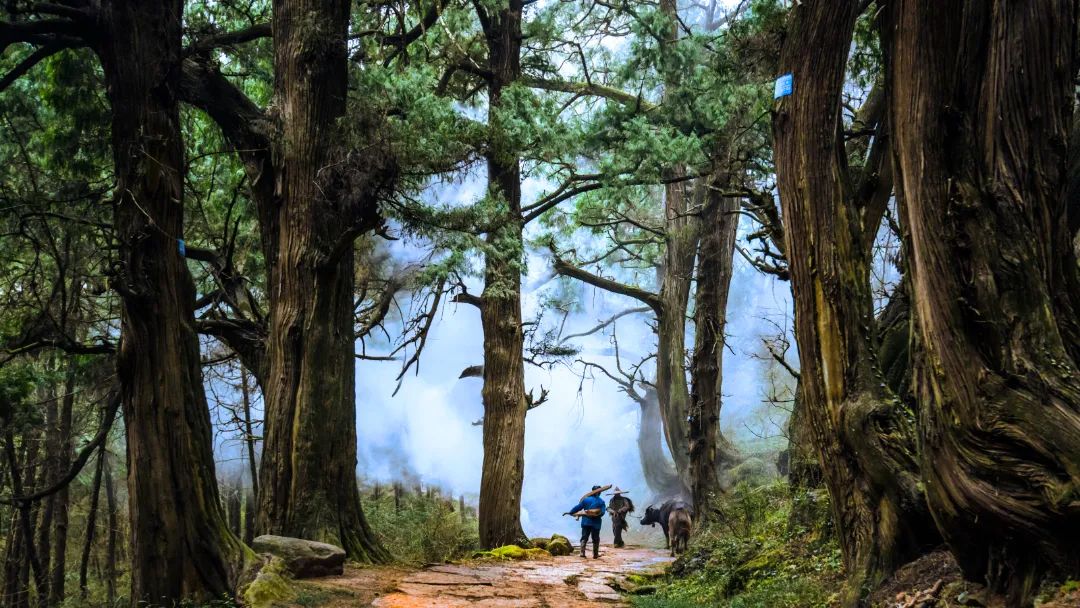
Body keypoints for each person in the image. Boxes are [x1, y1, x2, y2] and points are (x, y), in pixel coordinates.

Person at [564, 485, 608, 558]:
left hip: (586, 522)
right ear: (599, 492)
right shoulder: (601, 501)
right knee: (596, 539)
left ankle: (582, 553)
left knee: (584, 537)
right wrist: (596, 514)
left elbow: (578, 507)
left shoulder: (586, 500)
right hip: (596, 523)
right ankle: (595, 555)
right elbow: (602, 512)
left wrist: (571, 512)